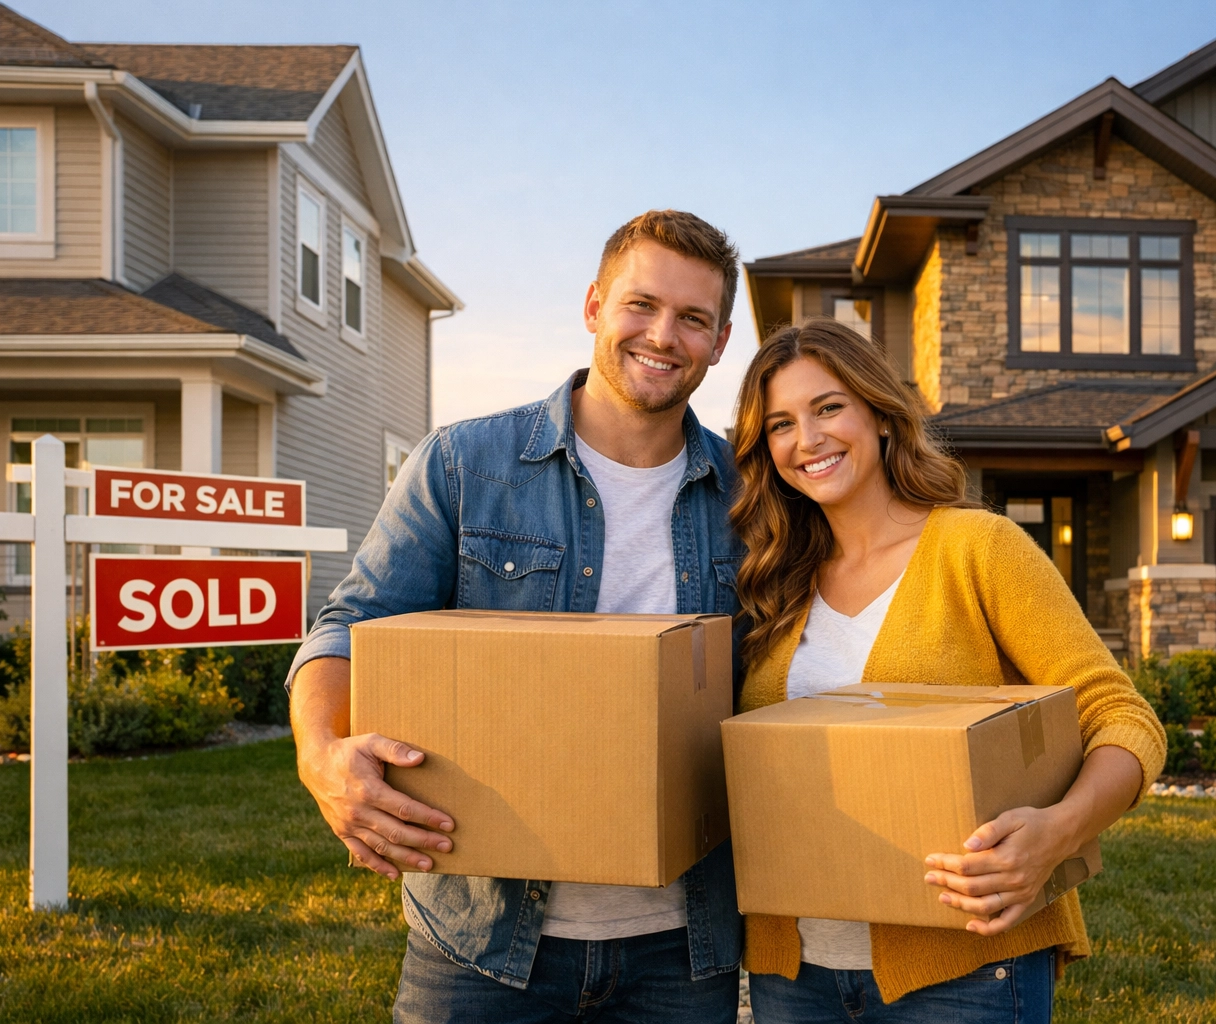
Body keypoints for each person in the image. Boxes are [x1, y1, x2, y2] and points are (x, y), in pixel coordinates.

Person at [288, 210, 747, 1023]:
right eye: (641, 305)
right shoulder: (464, 465)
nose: (662, 335)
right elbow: (351, 624)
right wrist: (321, 754)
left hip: (682, 947)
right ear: (594, 306)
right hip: (483, 935)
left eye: (692, 318)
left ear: (719, 342)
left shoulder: (754, 495)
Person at [728, 318, 1166, 1023]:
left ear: (880, 414)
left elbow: (1122, 716)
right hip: (796, 974)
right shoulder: (776, 581)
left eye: (828, 407)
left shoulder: (978, 548)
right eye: (780, 424)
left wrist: (1058, 834)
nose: (806, 439)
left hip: (967, 966)